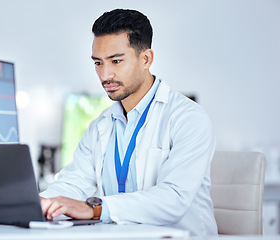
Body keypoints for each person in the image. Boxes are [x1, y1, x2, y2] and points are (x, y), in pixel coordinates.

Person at [40, 9, 217, 236]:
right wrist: (38, 202)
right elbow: (73, 183)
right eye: (98, 63)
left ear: (146, 59)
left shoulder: (189, 118)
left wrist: (95, 209)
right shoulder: (100, 126)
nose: (105, 75)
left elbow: (173, 199)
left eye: (116, 61)